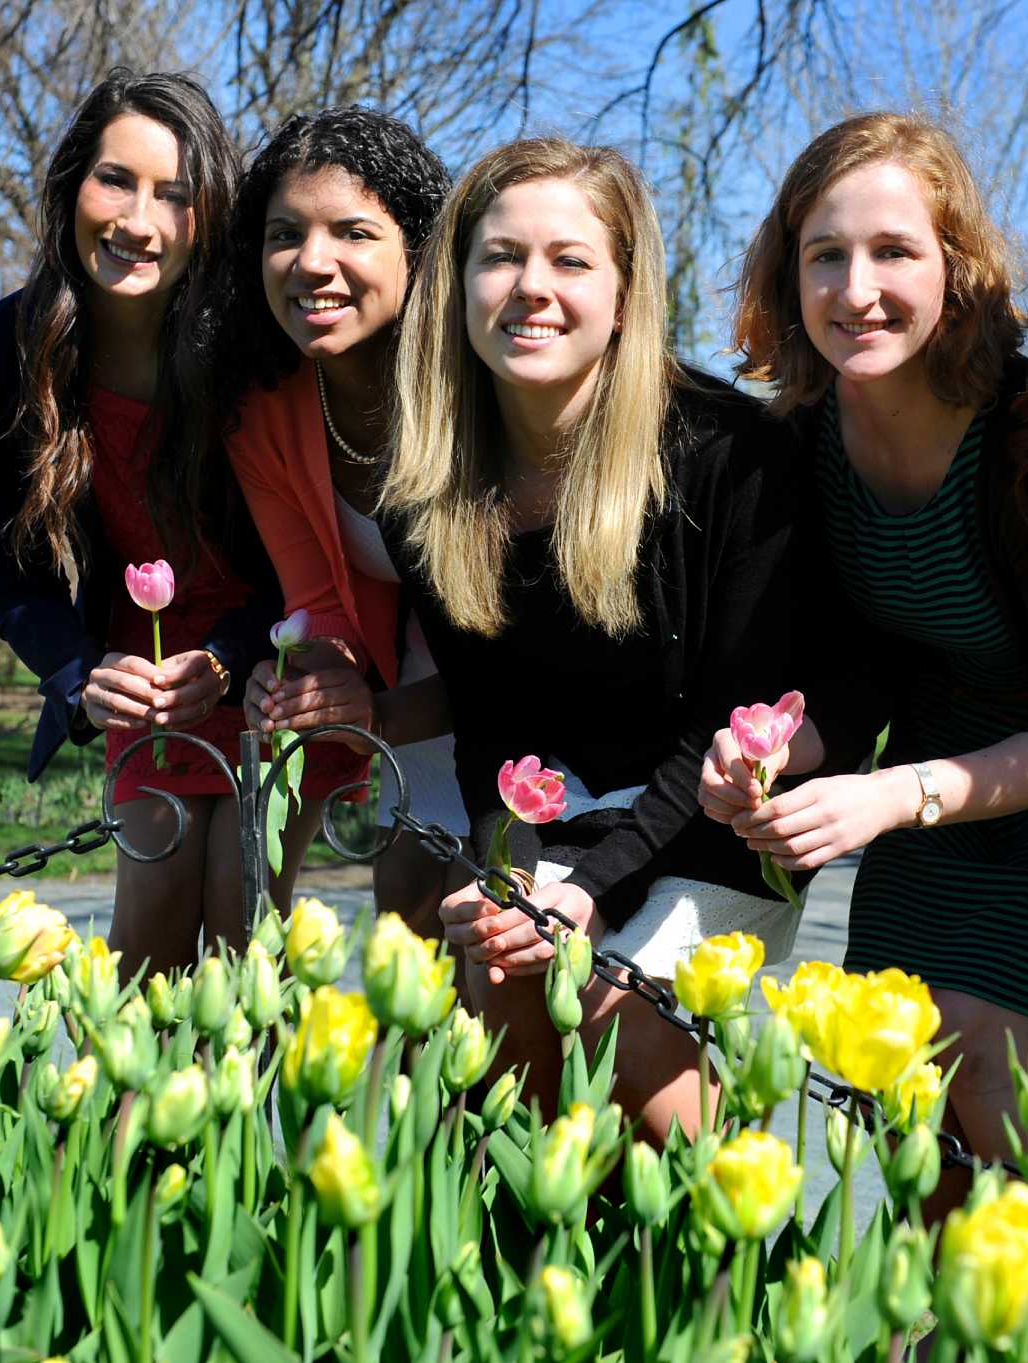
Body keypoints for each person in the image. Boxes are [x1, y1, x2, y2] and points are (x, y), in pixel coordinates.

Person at [695, 113, 1028, 1181]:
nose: (854, 288)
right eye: (823, 255)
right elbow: (841, 667)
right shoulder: (798, 443)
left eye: (892, 251)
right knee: (905, 1099)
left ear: (957, 267)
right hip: (924, 801)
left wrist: (889, 796)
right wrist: (776, 754)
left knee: (978, 1071)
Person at [383, 138, 799, 1138]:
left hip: (706, 817)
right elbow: (489, 728)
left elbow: (728, 728)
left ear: (624, 289)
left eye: (569, 260)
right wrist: (514, 873)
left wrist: (592, 893)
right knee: (499, 979)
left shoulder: (730, 459)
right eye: (499, 257)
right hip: (548, 815)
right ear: (455, 284)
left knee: (626, 1034)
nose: (530, 288)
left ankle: (717, 1270)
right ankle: (528, 1271)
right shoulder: (430, 494)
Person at [0, 70, 301, 972]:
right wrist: (79, 671)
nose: (138, 221)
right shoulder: (0, 352)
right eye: (116, 180)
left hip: (276, 660)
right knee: (147, 945)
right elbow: (14, 574)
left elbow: (302, 549)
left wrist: (226, 658)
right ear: (73, 184)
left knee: (242, 936)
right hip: (136, 671)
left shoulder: (253, 348)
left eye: (175, 195)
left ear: (208, 215)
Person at [220, 107, 467, 928]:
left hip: (551, 688)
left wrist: (378, 716)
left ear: (420, 251)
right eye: (284, 233)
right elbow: (320, 598)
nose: (311, 262)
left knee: (484, 914)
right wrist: (314, 679)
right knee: (404, 902)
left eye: (354, 232)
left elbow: (533, 643)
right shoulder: (267, 415)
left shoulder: (479, 387)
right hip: (423, 677)